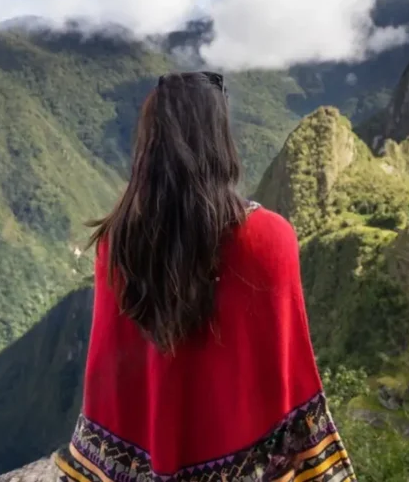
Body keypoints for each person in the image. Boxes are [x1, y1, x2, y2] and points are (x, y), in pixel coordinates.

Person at [53, 71, 355, 482]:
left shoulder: (117, 243)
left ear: (148, 143)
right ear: (221, 139)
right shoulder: (270, 239)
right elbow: (286, 379)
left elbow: (110, 382)